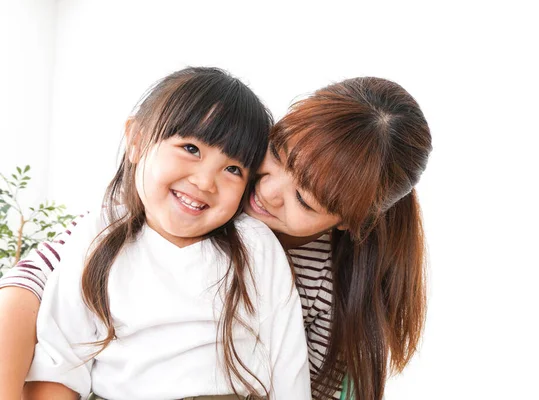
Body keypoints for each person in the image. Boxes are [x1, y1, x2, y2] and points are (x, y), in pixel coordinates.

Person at [0, 75, 432, 400]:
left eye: (303, 199)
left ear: (347, 223)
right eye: (277, 155)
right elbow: (34, 289)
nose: (265, 191)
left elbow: (293, 376)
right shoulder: (130, 220)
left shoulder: (307, 275)